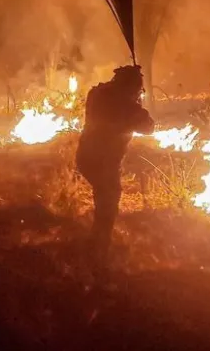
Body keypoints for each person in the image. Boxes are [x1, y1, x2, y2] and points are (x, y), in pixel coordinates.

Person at [75, 64, 154, 268]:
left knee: (104, 198)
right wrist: (139, 104)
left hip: (85, 157)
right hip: (104, 162)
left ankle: (96, 244)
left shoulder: (98, 94)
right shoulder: (128, 108)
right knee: (108, 204)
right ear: (131, 88)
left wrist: (135, 100)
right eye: (137, 89)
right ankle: (98, 252)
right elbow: (149, 127)